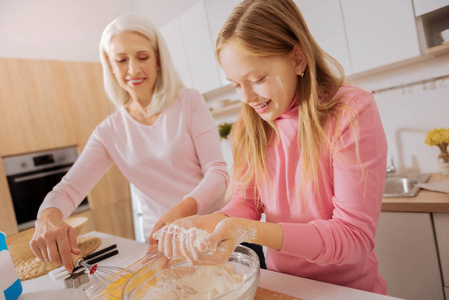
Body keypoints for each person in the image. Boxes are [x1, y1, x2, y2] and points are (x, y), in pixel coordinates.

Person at [155, 0, 388, 295]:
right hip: (281, 286)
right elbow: (248, 203)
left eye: (258, 79)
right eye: (236, 84)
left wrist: (248, 231)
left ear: (298, 59)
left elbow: (353, 238)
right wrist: (214, 222)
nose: (247, 97)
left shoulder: (350, 111)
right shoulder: (250, 125)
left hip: (348, 291)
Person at [29, 15, 229, 273]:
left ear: (158, 59)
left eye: (142, 57)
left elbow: (218, 172)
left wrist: (182, 210)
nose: (133, 69)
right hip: (162, 246)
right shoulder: (109, 131)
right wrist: (48, 218)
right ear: (110, 66)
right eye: (121, 60)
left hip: (211, 232)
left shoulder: (189, 102)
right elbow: (67, 191)